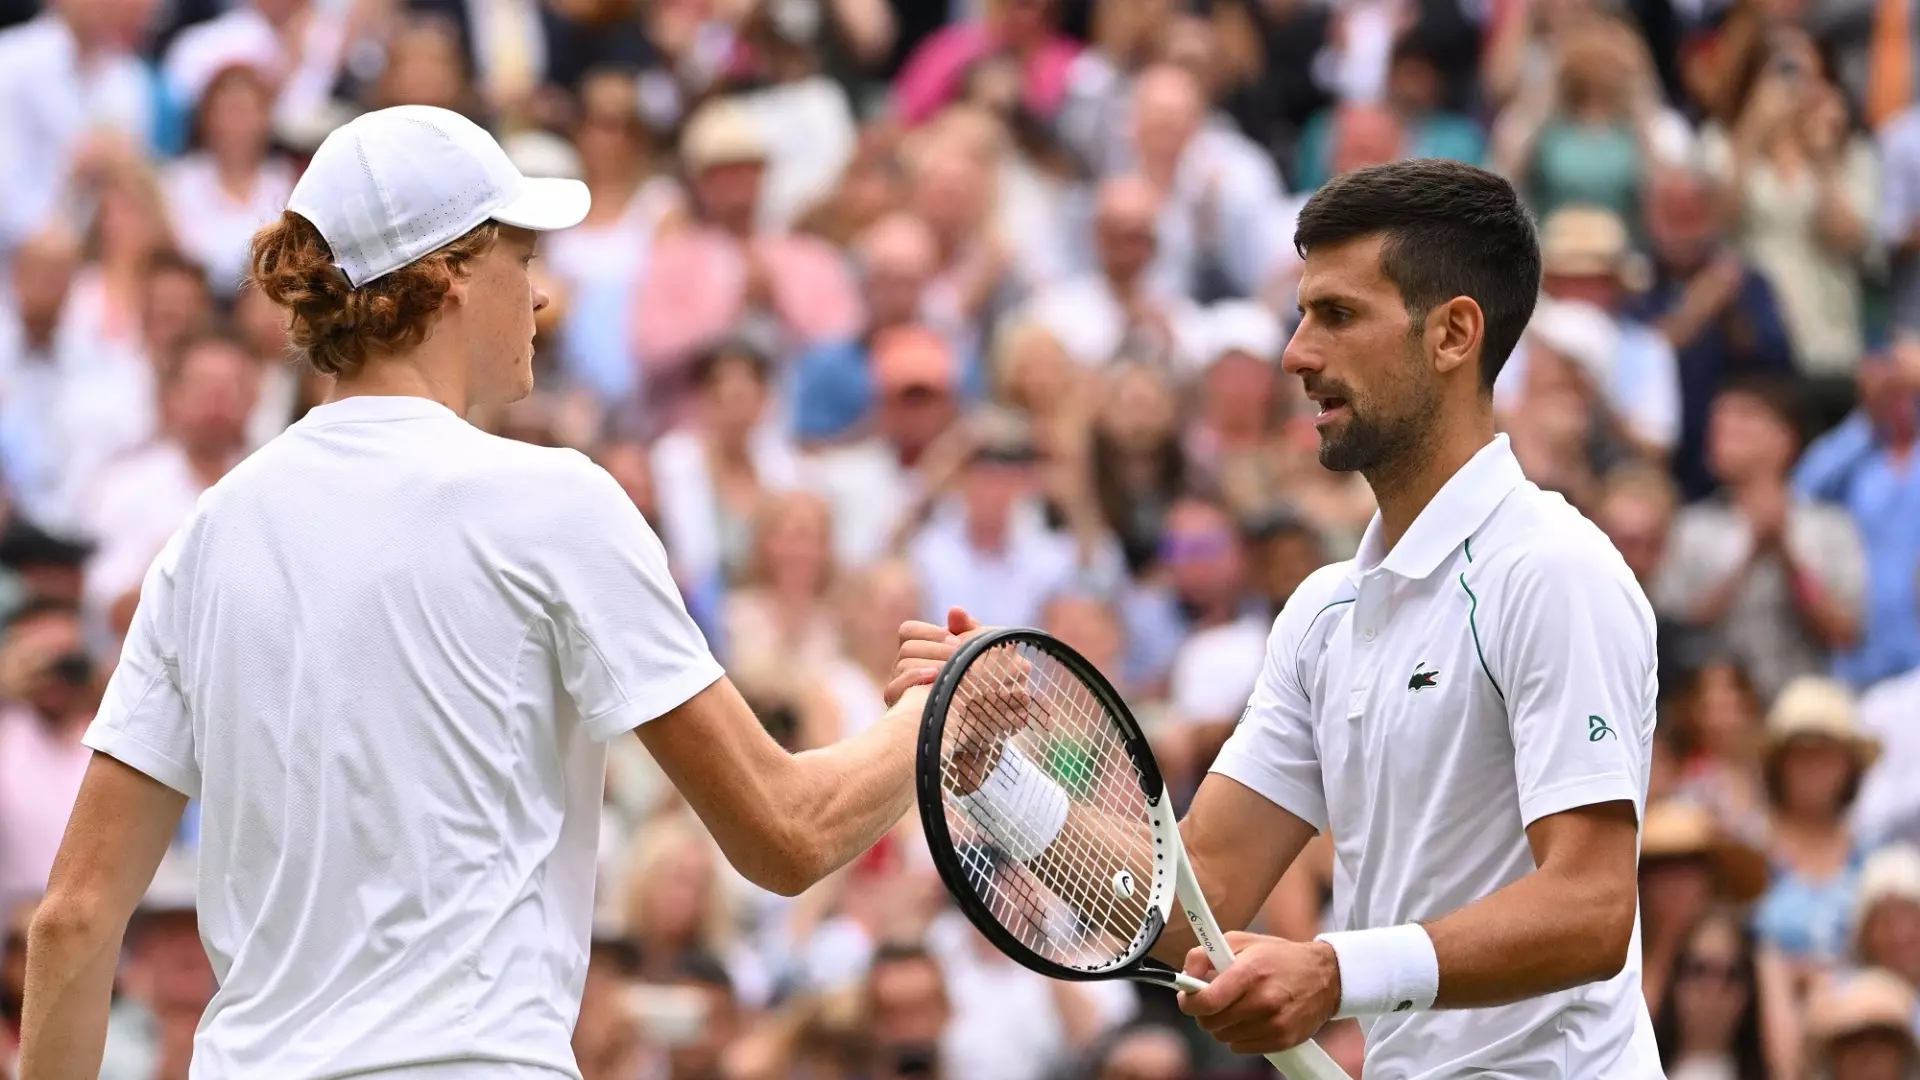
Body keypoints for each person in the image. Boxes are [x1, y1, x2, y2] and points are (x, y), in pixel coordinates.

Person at [19, 105, 949, 1079]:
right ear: (449, 273)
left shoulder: (206, 537)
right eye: (522, 256)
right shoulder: (555, 503)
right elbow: (786, 835)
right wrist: (931, 713)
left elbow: (75, 920)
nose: (543, 297)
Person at [900, 160, 1661, 1075]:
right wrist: (993, 775)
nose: (1297, 353)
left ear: (1454, 333)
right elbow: (1190, 903)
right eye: (1302, 315)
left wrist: (1336, 971)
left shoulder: (1553, 571)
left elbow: (1590, 907)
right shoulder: (1321, 616)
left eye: (1337, 315)